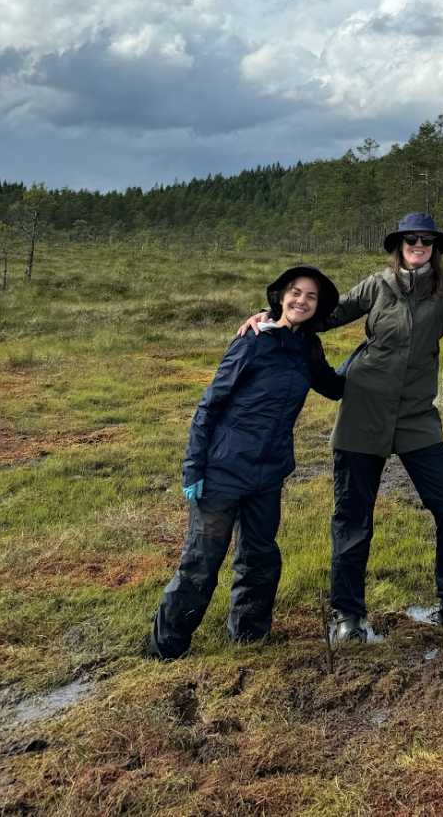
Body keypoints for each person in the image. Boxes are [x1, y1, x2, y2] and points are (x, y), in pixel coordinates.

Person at [241, 213, 443, 642]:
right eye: (411, 239)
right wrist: (271, 314)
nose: (418, 244)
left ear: (435, 247)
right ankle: (348, 615)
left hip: (416, 417)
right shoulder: (378, 284)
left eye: (426, 239)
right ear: (399, 245)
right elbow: (327, 314)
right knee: (353, 516)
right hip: (363, 409)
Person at [150, 265, 345, 659]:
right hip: (223, 470)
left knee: (259, 558)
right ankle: (166, 647)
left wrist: (374, 355)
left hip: (268, 474)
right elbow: (210, 404)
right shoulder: (252, 340)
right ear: (280, 296)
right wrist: (193, 466)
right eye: (295, 292)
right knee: (201, 563)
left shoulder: (308, 348)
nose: (301, 301)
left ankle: (249, 636)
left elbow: (333, 387)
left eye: (310, 296)